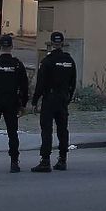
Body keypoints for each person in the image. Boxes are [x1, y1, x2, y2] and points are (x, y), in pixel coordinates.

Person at [0, 34, 29, 173]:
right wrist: (23, 104)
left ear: (0, 47)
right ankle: (14, 162)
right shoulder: (17, 64)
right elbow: (24, 86)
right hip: (11, 102)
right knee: (12, 133)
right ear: (12, 47)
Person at [31, 31, 76, 172]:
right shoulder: (69, 61)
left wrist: (34, 101)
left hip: (50, 99)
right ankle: (62, 159)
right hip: (63, 98)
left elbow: (41, 82)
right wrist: (68, 97)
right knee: (63, 129)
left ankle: (45, 161)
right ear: (62, 43)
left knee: (47, 130)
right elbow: (73, 82)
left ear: (51, 43)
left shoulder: (47, 61)